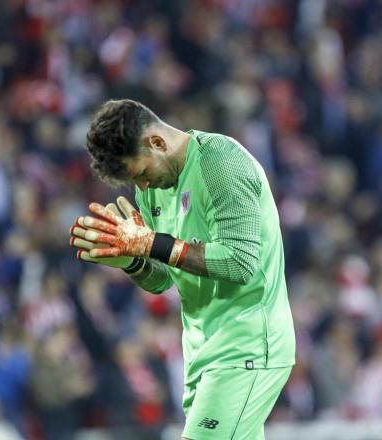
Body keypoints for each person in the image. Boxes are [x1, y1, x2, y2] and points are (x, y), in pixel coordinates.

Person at [70, 99, 295, 440]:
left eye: (142, 174)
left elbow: (240, 263)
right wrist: (131, 261)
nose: (143, 188)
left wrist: (151, 244)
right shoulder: (152, 192)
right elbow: (164, 280)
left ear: (157, 143)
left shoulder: (220, 162)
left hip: (247, 345)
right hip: (202, 352)